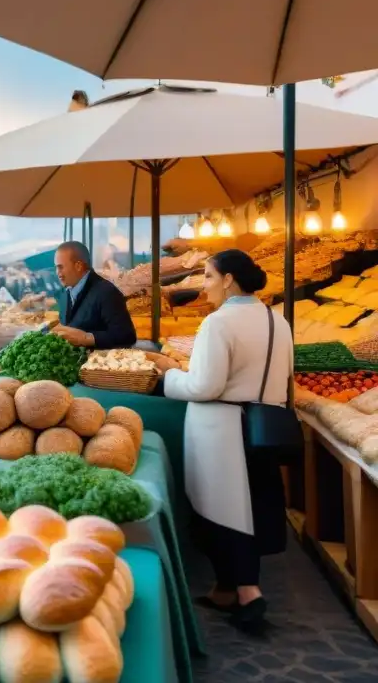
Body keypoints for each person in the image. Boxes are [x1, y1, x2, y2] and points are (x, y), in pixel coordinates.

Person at [156, 250, 289, 633]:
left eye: (209, 277)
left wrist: (168, 376)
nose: (205, 285)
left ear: (229, 279)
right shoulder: (276, 320)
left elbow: (204, 385)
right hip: (261, 426)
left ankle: (248, 594)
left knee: (224, 514)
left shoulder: (218, 323)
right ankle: (226, 590)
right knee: (253, 507)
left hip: (222, 428)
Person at [51, 241, 136, 350]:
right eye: (56, 268)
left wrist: (87, 338)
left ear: (78, 266)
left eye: (60, 267)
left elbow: (127, 337)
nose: (57, 273)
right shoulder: (65, 293)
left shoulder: (107, 292)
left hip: (99, 364)